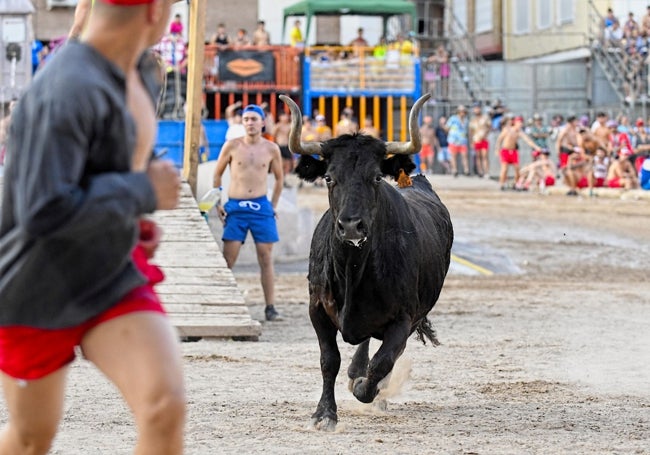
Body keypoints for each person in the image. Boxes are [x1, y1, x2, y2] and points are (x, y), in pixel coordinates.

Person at [0, 1, 186, 453]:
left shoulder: (142, 70)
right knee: (30, 439)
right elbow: (44, 209)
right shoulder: (66, 87)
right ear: (155, 10)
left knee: (164, 407)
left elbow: (110, 159)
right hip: (35, 286)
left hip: (108, 271)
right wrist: (141, 191)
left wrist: (133, 217)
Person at [212, 104, 284, 321]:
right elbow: (217, 175)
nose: (250, 123)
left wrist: (273, 205)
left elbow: (280, 178)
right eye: (246, 119)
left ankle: (270, 307)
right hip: (236, 206)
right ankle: (220, 303)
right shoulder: (232, 146)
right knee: (229, 257)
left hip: (261, 206)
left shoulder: (272, 149)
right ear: (241, 123)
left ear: (263, 122)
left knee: (265, 257)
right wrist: (218, 203)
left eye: (254, 119)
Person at [494, 115, 539, 190]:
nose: (521, 124)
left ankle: (516, 184)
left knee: (517, 169)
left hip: (513, 151)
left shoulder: (519, 132)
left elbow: (527, 140)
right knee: (504, 169)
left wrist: (536, 147)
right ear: (515, 122)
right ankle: (501, 184)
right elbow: (499, 139)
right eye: (519, 122)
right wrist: (497, 149)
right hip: (505, 150)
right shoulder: (507, 129)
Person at [446, 105, 470, 176]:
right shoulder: (453, 118)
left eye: (464, 111)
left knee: (464, 156)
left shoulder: (466, 120)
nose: (462, 113)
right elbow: (447, 127)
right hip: (453, 140)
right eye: (461, 111)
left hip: (463, 141)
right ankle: (455, 170)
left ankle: (466, 170)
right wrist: (452, 135)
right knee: (453, 156)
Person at [469, 103, 491, 177]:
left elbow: (489, 126)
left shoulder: (485, 117)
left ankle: (486, 171)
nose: (477, 110)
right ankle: (480, 171)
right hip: (476, 139)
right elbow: (471, 131)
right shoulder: (473, 120)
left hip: (484, 139)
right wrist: (471, 141)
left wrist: (485, 133)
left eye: (478, 108)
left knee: (484, 156)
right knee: (478, 156)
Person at [272, 110, 294, 184]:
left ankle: (284, 179)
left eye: (286, 116)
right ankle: (279, 179)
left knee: (288, 164)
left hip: (287, 146)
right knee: (281, 163)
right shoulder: (278, 126)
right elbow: (273, 135)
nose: (286, 117)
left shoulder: (289, 126)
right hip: (280, 146)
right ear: (280, 117)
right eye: (284, 116)